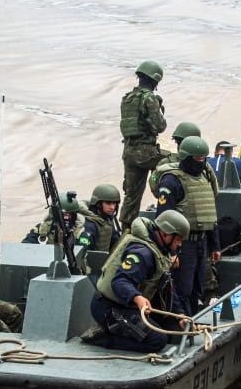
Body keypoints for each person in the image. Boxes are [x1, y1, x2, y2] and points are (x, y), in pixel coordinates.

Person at [90, 210, 189, 352]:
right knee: (157, 340)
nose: (179, 245)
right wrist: (137, 297)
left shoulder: (159, 250)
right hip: (110, 308)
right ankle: (104, 338)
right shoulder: (142, 253)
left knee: (170, 328)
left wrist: (179, 315)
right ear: (166, 234)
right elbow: (120, 281)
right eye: (178, 240)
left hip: (128, 305)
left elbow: (166, 287)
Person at [153, 136, 221, 314]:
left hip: (202, 242)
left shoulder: (205, 176)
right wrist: (172, 252)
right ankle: (182, 322)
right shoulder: (172, 181)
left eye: (203, 158)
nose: (202, 162)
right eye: (197, 159)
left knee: (198, 287)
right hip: (182, 244)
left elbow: (209, 215)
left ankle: (192, 318)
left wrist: (215, 246)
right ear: (186, 157)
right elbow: (163, 218)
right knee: (183, 288)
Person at [119, 59, 167, 231]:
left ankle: (126, 229)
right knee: (172, 161)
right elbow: (160, 126)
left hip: (128, 151)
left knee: (132, 195)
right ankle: (164, 198)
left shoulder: (127, 99)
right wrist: (160, 109)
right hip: (145, 152)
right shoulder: (149, 99)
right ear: (155, 81)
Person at [21, 191, 85, 246]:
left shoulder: (82, 233)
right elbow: (25, 247)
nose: (66, 217)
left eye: (70, 215)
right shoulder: (41, 230)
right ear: (54, 214)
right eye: (63, 215)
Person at [78, 183, 122, 252]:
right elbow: (85, 255)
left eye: (114, 203)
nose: (112, 207)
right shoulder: (89, 225)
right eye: (108, 203)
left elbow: (116, 241)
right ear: (98, 204)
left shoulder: (106, 218)